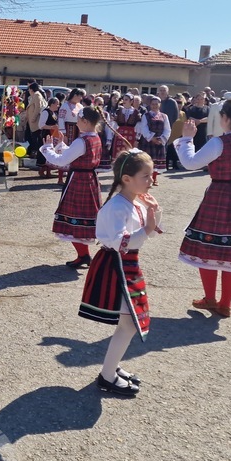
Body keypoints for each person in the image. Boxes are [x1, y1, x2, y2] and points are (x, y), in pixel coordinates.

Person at [78, 149, 162, 397]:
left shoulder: (134, 201)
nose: (151, 180)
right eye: (145, 176)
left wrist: (152, 212)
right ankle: (107, 376)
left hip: (127, 264)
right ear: (126, 178)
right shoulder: (117, 207)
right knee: (128, 324)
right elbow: (118, 242)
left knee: (128, 324)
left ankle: (110, 370)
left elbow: (148, 231)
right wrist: (147, 227)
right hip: (116, 265)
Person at [175, 98, 231, 317]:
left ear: (225, 118)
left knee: (208, 247)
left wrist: (187, 139)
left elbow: (190, 163)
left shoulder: (219, 143)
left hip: (220, 196)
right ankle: (225, 303)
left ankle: (210, 298)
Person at [39, 106, 104, 268]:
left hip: (78, 181)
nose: (76, 124)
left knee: (73, 221)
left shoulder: (82, 141)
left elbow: (61, 161)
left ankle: (83, 255)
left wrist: (47, 149)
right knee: (83, 220)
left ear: (85, 121)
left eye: (78, 121)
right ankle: (84, 255)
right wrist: (62, 145)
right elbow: (76, 155)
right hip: (89, 180)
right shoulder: (95, 137)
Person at [136, 95, 169, 184]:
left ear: (159, 105)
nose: (154, 106)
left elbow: (167, 129)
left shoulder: (164, 116)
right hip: (148, 141)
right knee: (148, 160)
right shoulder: (146, 116)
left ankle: (155, 178)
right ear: (150, 105)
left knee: (157, 160)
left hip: (159, 140)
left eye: (156, 104)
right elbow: (144, 128)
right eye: (152, 104)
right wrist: (151, 138)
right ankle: (147, 178)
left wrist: (161, 139)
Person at [36, 97, 61, 177]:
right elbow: (41, 125)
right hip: (46, 134)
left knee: (51, 151)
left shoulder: (54, 113)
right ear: (52, 104)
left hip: (52, 135)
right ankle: (42, 171)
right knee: (45, 152)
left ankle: (48, 171)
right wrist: (52, 127)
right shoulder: (46, 112)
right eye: (57, 104)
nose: (58, 105)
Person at [24, 82, 46, 158]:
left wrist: (33, 118)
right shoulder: (34, 95)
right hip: (33, 121)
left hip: (36, 121)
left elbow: (38, 107)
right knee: (34, 138)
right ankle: (35, 153)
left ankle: (38, 154)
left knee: (36, 139)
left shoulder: (37, 95)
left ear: (31, 89)